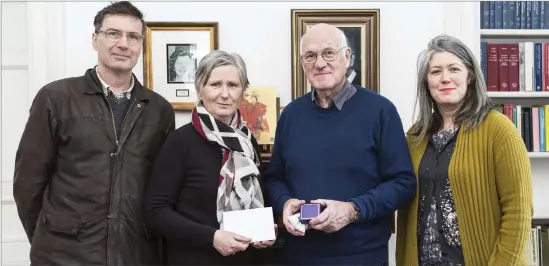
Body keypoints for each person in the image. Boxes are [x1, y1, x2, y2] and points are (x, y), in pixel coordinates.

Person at [12, 2, 175, 265]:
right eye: (113, 33)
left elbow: (163, 188)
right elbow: (28, 183)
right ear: (95, 39)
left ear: (140, 45)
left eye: (133, 37)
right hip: (64, 254)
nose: (123, 43)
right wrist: (48, 236)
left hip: (135, 253)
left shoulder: (159, 110)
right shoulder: (56, 98)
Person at [263, 23, 417, 265]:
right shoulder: (291, 114)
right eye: (310, 56)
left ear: (347, 57)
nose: (320, 63)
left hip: (362, 256)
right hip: (298, 255)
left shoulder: (380, 110)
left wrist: (351, 210)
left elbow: (403, 183)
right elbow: (274, 178)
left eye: (328, 53)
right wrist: (284, 202)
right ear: (302, 63)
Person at [395, 34, 533, 266]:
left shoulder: (499, 129)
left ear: (469, 77)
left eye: (454, 69)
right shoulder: (415, 137)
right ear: (426, 84)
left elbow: (518, 211)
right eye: (436, 71)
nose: (445, 78)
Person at [144, 50, 276, 265]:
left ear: (243, 91)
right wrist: (212, 238)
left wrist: (265, 229)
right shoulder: (180, 142)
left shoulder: (248, 142)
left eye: (233, 85)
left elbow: (256, 201)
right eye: (215, 84)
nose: (225, 94)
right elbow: (156, 212)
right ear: (200, 90)